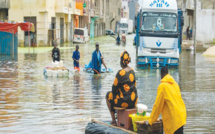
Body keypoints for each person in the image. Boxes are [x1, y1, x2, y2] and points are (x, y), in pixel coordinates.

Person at [148, 67, 186, 134]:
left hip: (173, 120)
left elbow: (157, 106)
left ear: (161, 75)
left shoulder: (162, 86)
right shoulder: (175, 84)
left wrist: (150, 121)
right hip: (181, 117)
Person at [106, 51, 138, 126]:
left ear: (122, 62)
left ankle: (114, 121)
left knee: (108, 95)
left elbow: (114, 89)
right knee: (119, 95)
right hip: (134, 101)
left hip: (125, 102)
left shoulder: (121, 73)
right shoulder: (132, 71)